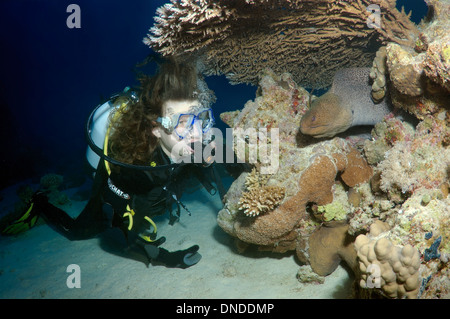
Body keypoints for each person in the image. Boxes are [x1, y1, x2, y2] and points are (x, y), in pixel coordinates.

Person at [1, 59, 222, 269]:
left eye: (199, 118)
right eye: (182, 123)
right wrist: (166, 258)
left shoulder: (194, 140)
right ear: (156, 129)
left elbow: (221, 159)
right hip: (111, 182)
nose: (195, 132)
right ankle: (39, 203)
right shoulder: (132, 168)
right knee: (77, 231)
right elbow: (116, 230)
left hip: (160, 185)